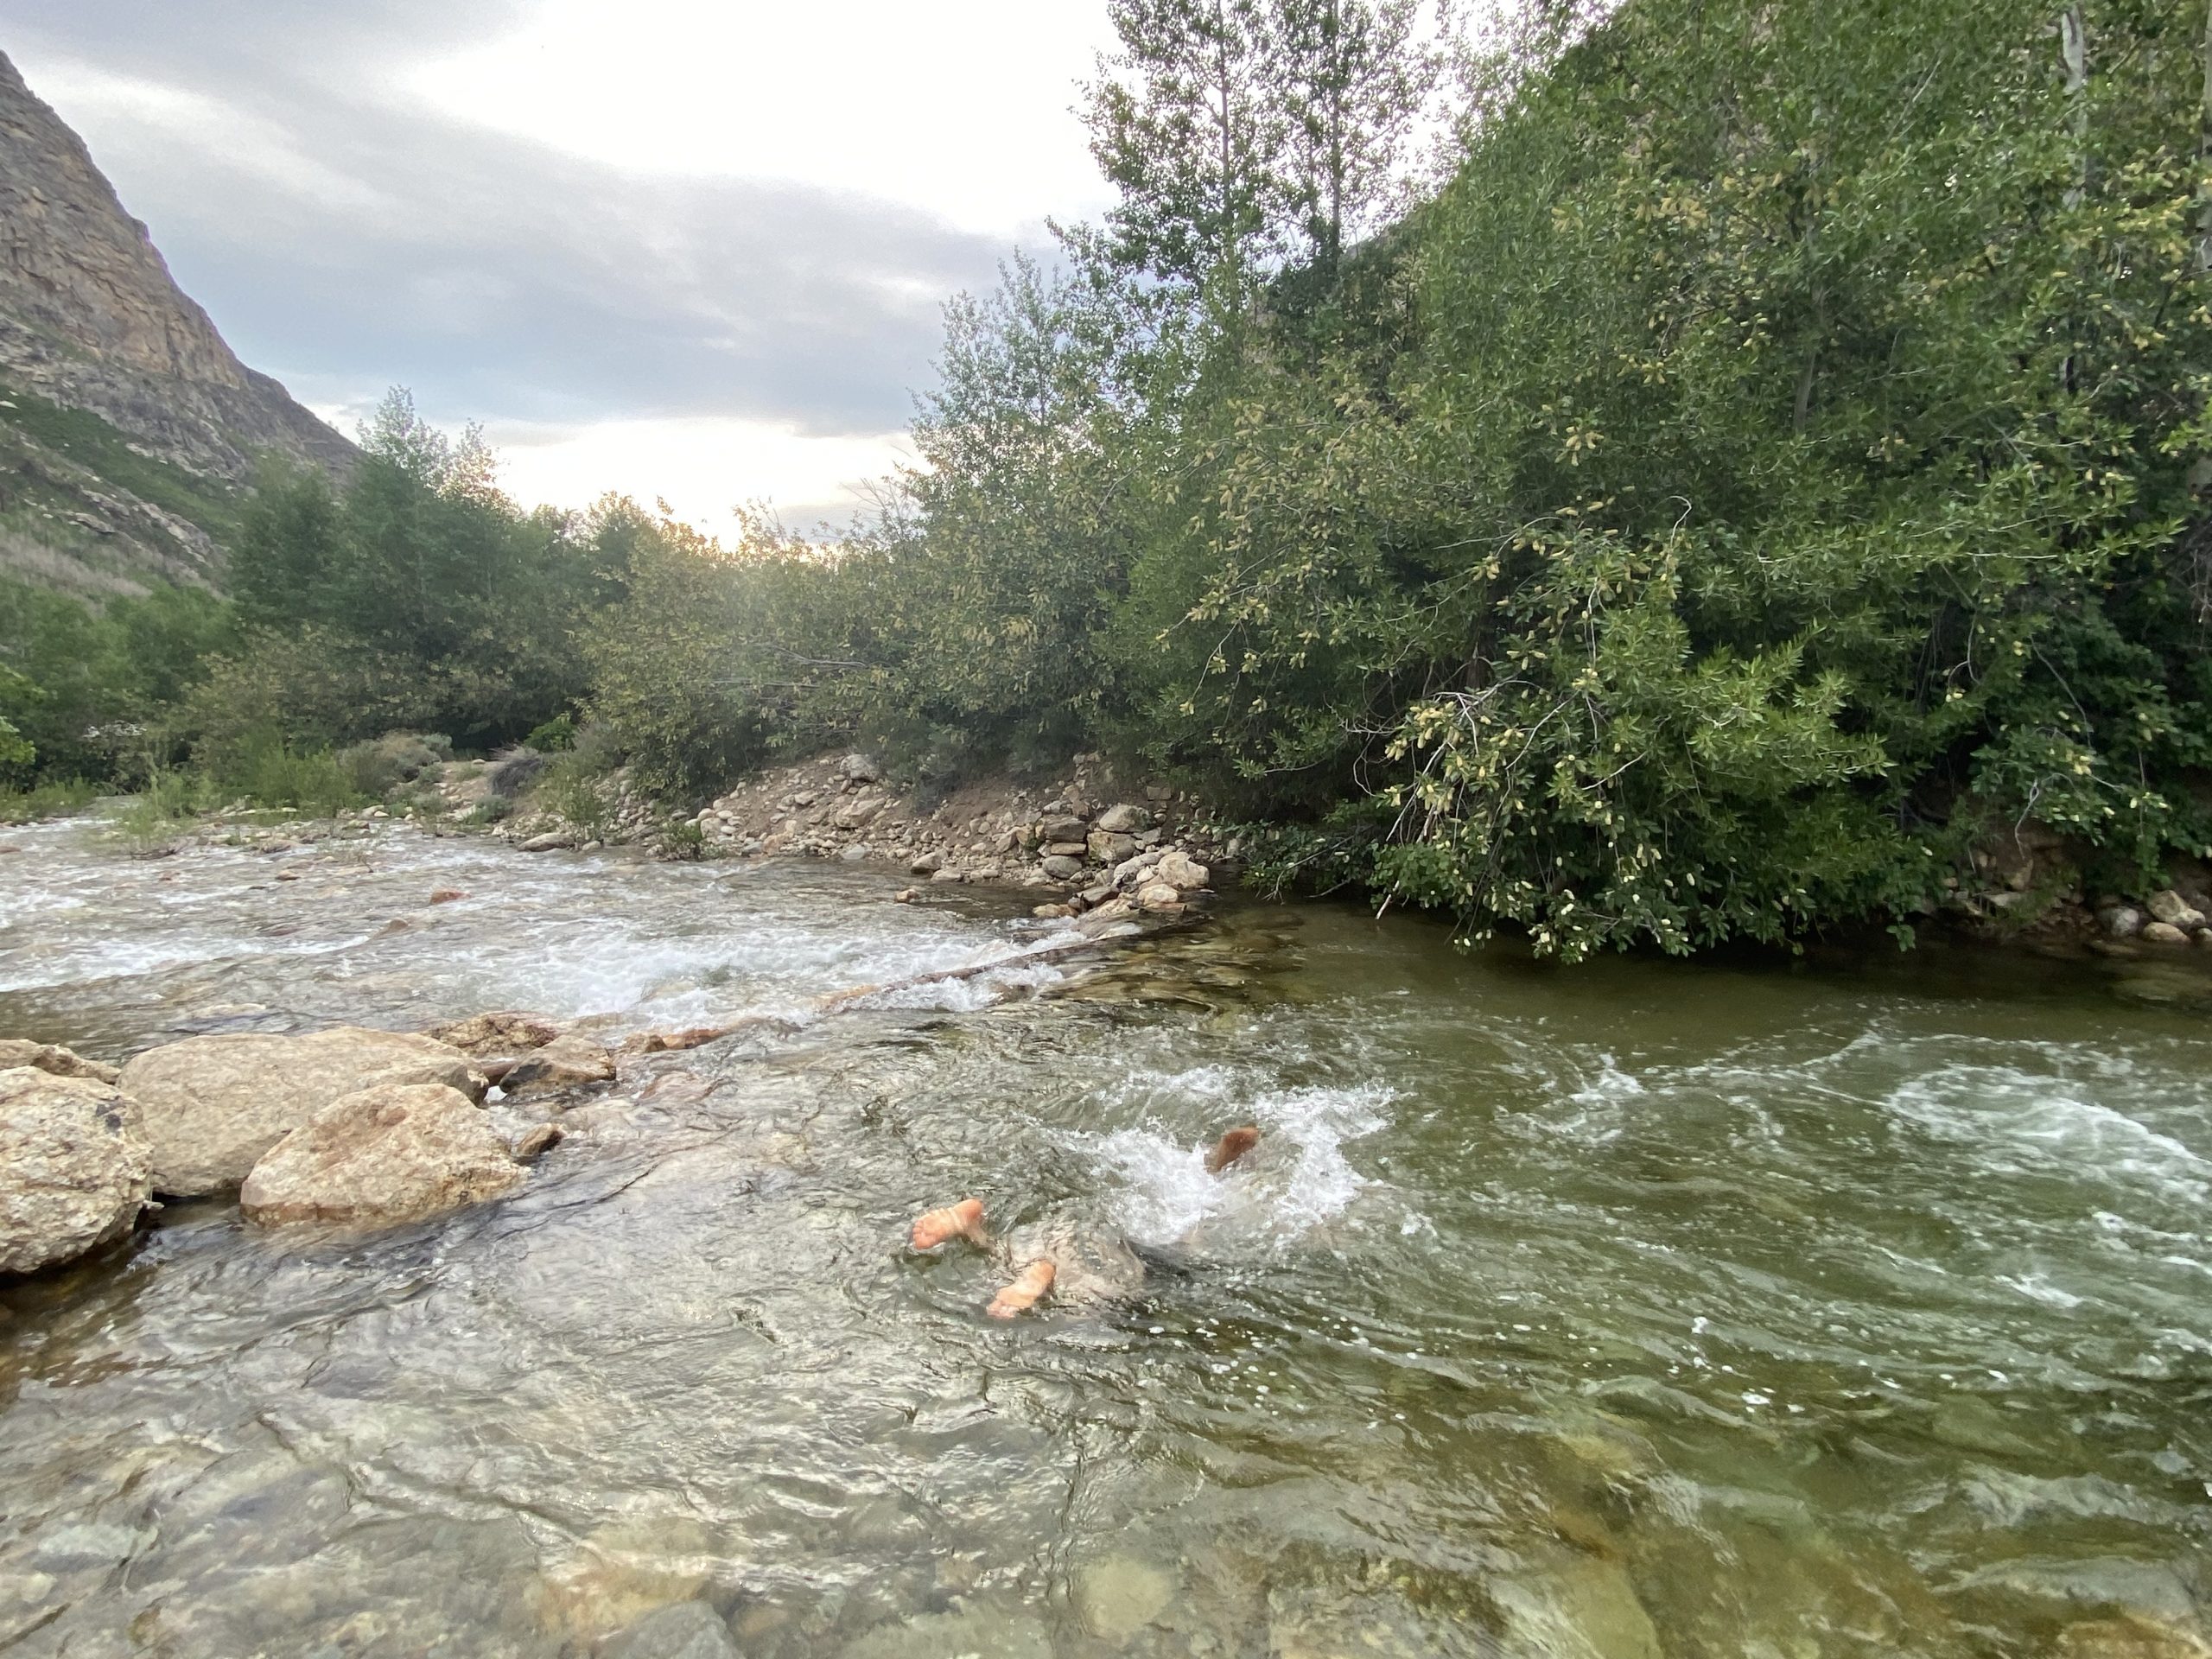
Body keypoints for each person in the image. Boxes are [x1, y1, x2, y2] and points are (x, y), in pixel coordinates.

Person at [909, 1125, 1262, 1319]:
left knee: (1013, 1255)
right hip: (1109, 1245)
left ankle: (976, 1231)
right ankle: (1035, 1270)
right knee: (1190, 1245)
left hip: (1071, 1230)